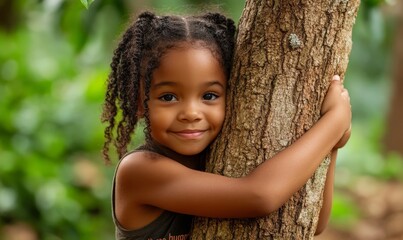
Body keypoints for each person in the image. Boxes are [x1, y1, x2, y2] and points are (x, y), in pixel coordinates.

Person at [101, 11, 352, 240]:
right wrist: (333, 123)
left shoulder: (221, 153)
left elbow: (314, 220)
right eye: (168, 97)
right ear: (139, 102)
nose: (191, 113)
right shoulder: (140, 171)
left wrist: (332, 146)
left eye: (209, 96)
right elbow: (259, 196)